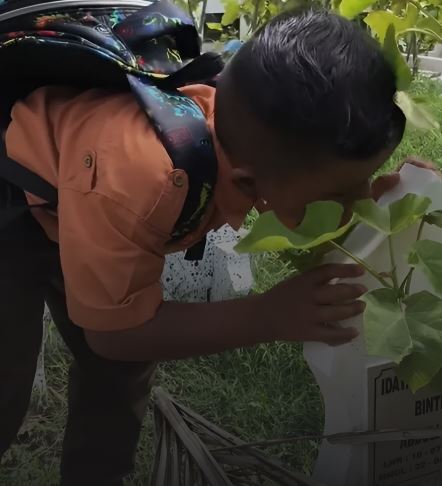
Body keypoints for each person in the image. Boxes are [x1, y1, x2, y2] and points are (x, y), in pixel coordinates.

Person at [0, 7, 413, 485]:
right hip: (16, 208)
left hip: (84, 200)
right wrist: (266, 316)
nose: (358, 200)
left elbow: (313, 210)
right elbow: (114, 335)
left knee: (119, 376)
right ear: (249, 184)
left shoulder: (255, 135)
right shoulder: (145, 181)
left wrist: (392, 205)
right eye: (342, 195)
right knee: (12, 367)